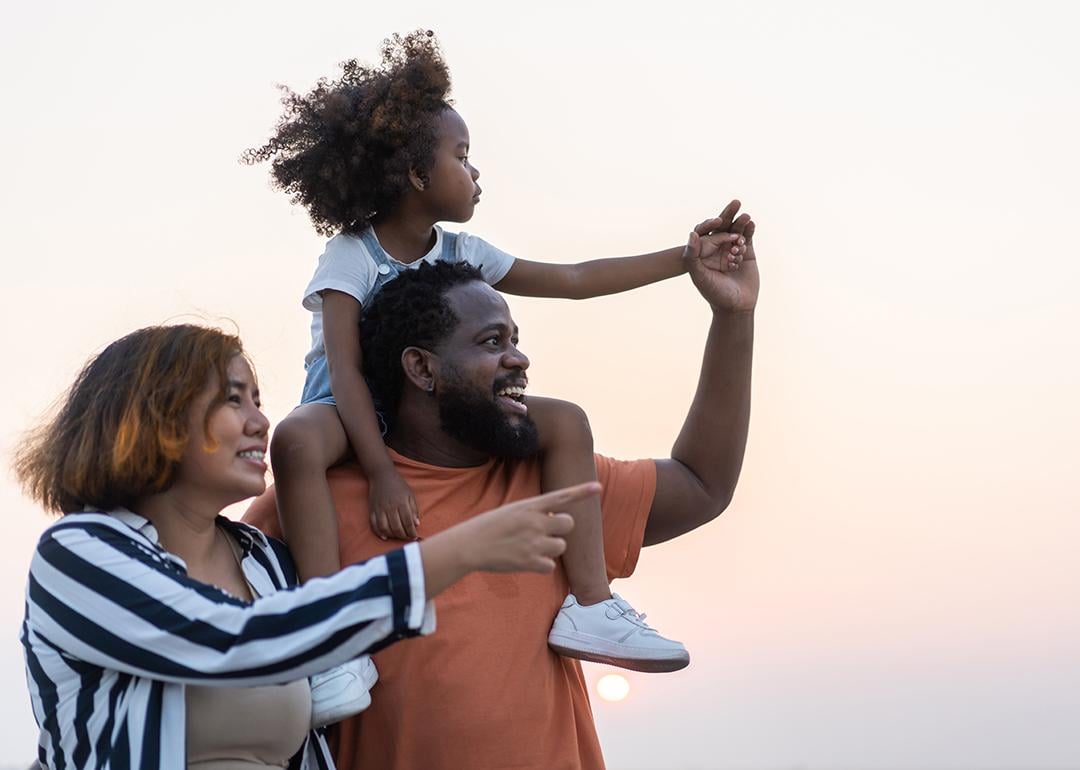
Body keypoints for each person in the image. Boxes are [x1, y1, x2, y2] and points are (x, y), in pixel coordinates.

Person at [242, 29, 745, 672]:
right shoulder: (351, 255)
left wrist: (684, 258)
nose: (476, 172)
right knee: (296, 440)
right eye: (462, 156)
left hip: (428, 407)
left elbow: (573, 279)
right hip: (345, 404)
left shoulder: (463, 253)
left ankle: (591, 603)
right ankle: (326, 637)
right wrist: (382, 471)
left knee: (565, 419)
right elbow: (343, 368)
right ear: (417, 174)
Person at [244, 203, 759, 770]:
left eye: (514, 338)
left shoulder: (554, 480)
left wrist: (734, 316)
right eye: (492, 342)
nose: (519, 358)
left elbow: (703, 484)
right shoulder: (312, 503)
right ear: (421, 369)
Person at [15, 323, 598, 770]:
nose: (261, 421)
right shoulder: (79, 554)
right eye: (233, 400)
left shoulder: (266, 561)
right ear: (155, 418)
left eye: (258, 399)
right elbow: (236, 641)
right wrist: (456, 550)